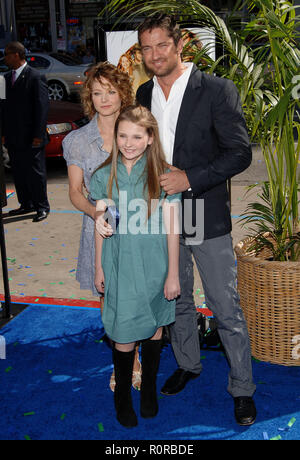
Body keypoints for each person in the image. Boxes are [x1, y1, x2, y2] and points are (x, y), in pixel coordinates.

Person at [135, 14, 257, 426]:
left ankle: (242, 388)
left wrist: (190, 177)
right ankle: (188, 363)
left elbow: (240, 152)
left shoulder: (216, 90)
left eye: (161, 46)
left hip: (204, 211)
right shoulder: (143, 92)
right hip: (161, 214)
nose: (154, 55)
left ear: (179, 44)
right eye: (147, 48)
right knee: (178, 297)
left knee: (225, 306)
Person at [90, 104, 181, 427]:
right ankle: (122, 396)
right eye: (123, 135)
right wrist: (100, 267)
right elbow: (104, 221)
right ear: (115, 137)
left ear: (150, 138)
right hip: (120, 266)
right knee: (124, 332)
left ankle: (149, 390)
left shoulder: (166, 176)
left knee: (155, 326)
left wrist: (172, 273)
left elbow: (173, 229)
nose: (129, 142)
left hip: (156, 266)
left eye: (136, 136)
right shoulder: (105, 176)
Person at [62, 62, 142, 392]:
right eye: (97, 93)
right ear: (88, 97)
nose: (104, 99)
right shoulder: (77, 141)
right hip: (101, 231)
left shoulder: (140, 128)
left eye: (111, 91)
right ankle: (121, 363)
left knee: (139, 295)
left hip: (140, 227)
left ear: (122, 92)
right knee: (109, 297)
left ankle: (136, 358)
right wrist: (97, 215)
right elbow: (75, 192)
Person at [2, 41, 50, 222]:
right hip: (14, 137)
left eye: (7, 54)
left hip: (32, 137)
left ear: (16, 55)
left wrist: (38, 135)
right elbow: (2, 108)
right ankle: (26, 204)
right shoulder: (4, 79)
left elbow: (42, 108)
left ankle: (41, 206)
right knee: (19, 171)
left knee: (35, 173)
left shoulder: (35, 77)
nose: (5, 57)